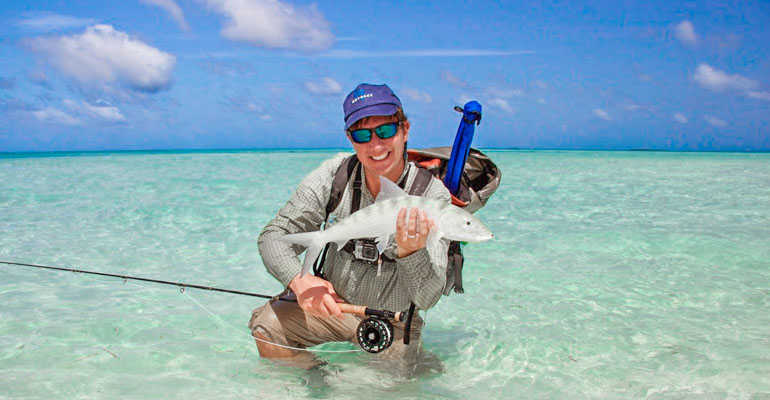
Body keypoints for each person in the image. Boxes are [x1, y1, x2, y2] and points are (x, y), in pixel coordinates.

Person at [248, 83, 451, 368]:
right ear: (349, 138)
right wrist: (300, 280)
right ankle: (317, 380)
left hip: (394, 322)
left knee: (377, 386)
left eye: (385, 131)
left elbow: (427, 298)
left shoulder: (431, 197)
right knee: (267, 327)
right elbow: (273, 237)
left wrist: (411, 252)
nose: (376, 145)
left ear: (405, 129)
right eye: (362, 134)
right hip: (333, 307)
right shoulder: (334, 175)